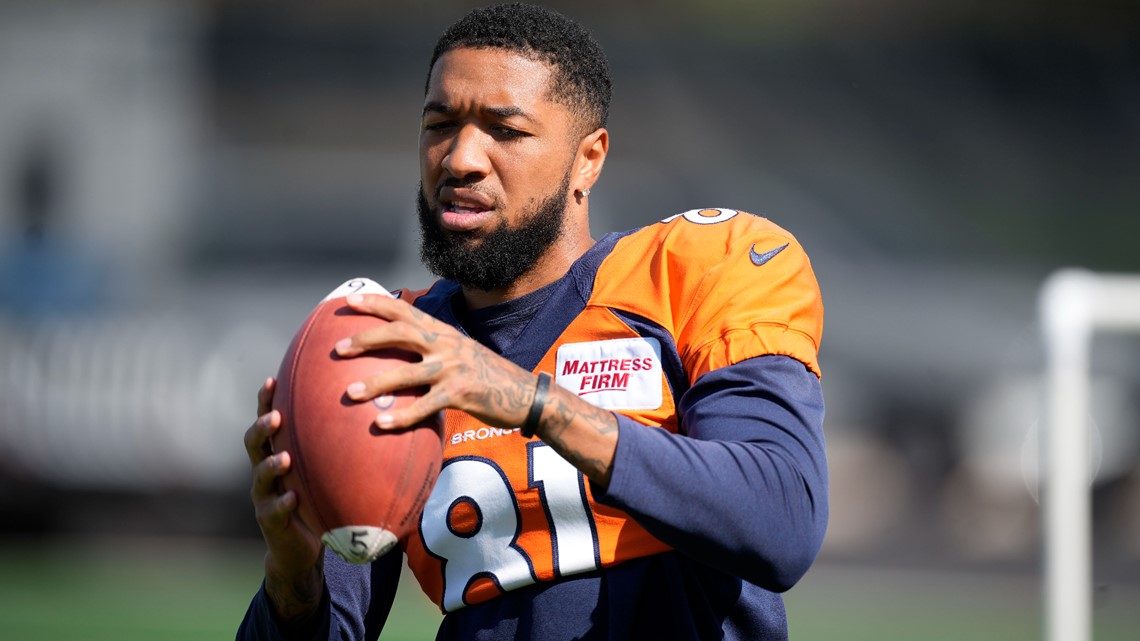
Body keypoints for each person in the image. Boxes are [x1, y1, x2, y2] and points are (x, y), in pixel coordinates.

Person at [238, 3, 828, 640]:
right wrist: (292, 578)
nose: (460, 158)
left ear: (588, 159)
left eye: (505, 130)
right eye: (440, 125)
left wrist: (532, 403)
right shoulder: (393, 342)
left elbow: (782, 521)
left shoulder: (697, 270)